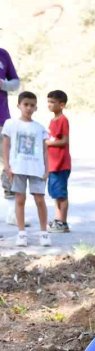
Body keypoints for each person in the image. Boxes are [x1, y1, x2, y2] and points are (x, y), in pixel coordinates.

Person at [2, 91, 50, 247]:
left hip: (36, 168)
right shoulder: (11, 124)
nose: (29, 108)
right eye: (26, 104)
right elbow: (6, 145)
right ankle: (21, 233)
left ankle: (44, 233)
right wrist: (7, 166)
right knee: (20, 200)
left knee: (39, 199)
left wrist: (47, 169)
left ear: (36, 108)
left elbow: (44, 150)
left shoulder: (40, 128)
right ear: (19, 105)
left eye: (32, 105)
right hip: (18, 168)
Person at [1, 46, 21, 224]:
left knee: (9, 164)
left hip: (2, 119)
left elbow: (15, 82)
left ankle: (12, 213)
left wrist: (3, 84)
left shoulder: (3, 54)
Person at [46, 90, 71, 233]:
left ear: (62, 105)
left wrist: (48, 143)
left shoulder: (63, 120)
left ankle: (63, 221)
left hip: (61, 164)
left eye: (53, 102)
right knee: (55, 193)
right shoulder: (53, 120)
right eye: (48, 101)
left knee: (61, 194)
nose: (49, 104)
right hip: (53, 164)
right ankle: (58, 219)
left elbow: (64, 140)